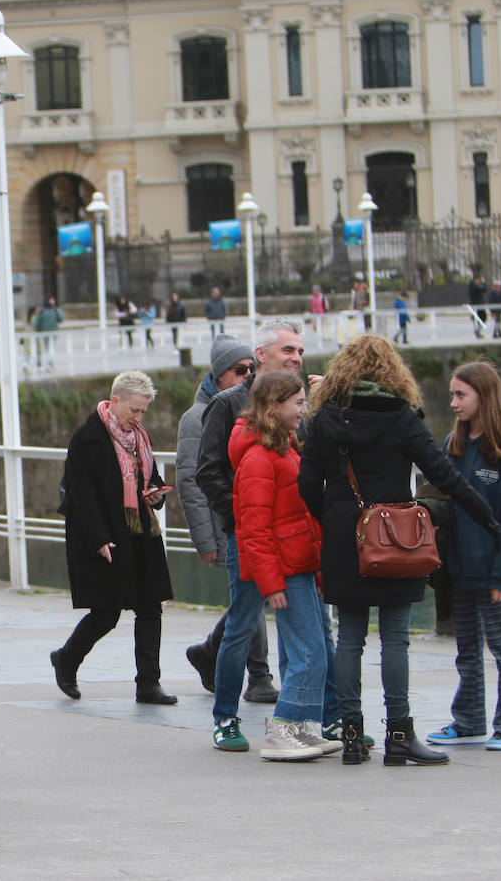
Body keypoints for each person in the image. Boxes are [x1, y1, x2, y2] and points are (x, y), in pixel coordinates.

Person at [299, 334, 500, 766]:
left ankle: (352, 737)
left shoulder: (322, 420)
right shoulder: (401, 418)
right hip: (396, 538)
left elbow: (306, 486)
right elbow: (443, 475)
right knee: (395, 639)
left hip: (342, 539)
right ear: (393, 372)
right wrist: (485, 515)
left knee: (349, 638)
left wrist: (337, 519)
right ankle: (399, 735)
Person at [196, 321, 307, 752]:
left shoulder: (300, 405)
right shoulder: (228, 405)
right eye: (287, 349)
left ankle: (309, 716)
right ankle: (225, 717)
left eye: (299, 349)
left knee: (308, 626)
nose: (295, 356)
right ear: (261, 355)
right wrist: (238, 519)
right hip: (250, 534)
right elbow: (208, 470)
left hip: (293, 538)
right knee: (242, 625)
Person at [231, 372, 340, 761]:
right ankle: (283, 728)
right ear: (273, 406)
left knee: (313, 650)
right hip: (286, 569)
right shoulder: (260, 458)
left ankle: (302, 727)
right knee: (308, 651)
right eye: (297, 402)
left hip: (299, 564)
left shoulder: (284, 450)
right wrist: (271, 582)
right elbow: (254, 527)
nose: (304, 409)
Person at [50, 370, 177, 707]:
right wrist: (99, 538)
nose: (138, 418)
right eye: (134, 410)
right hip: (106, 535)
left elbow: (151, 475)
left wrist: (155, 495)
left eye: (143, 412)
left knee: (151, 608)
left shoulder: (140, 438)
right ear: (115, 400)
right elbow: (82, 495)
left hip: (141, 530)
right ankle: (67, 658)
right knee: (106, 611)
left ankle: (148, 684)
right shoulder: (87, 438)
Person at [428, 361, 501, 752]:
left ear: (482, 397)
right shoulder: (452, 447)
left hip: (491, 574)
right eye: (452, 394)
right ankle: (467, 720)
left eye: (461, 395)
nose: (453, 402)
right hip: (458, 570)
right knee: (466, 650)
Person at [178, 336, 277, 703]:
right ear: (220, 375)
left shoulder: (250, 406)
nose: (248, 375)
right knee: (252, 598)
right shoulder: (200, 416)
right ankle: (258, 675)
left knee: (252, 599)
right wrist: (206, 538)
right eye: (240, 370)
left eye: (251, 368)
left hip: (247, 517)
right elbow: (192, 477)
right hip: (227, 520)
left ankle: (210, 653)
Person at [31, 295, 64, 369]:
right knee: (47, 348)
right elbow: (37, 323)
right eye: (51, 300)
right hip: (45, 333)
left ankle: (50, 362)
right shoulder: (42, 311)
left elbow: (61, 319)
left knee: (50, 348)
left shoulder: (54, 310)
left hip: (53, 333)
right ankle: (48, 362)